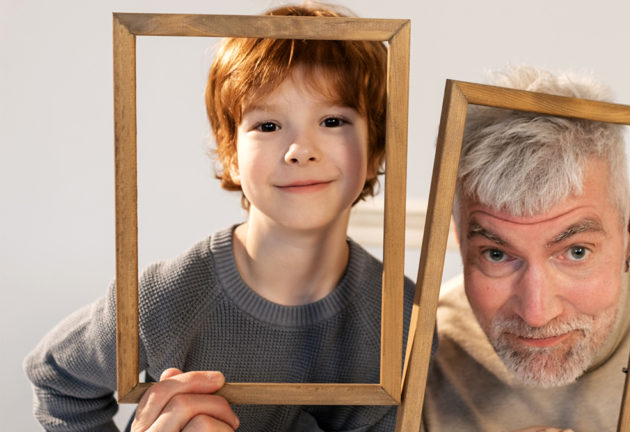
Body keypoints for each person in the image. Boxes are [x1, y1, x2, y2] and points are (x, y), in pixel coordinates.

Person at [24, 4, 415, 431]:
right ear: (230, 154)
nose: (300, 149)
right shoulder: (164, 297)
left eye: (333, 120)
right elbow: (56, 378)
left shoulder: (400, 323)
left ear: (378, 148)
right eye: (268, 126)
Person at [422, 66, 630, 431]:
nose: (537, 313)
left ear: (629, 231)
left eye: (576, 252)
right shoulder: (422, 359)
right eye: (496, 254)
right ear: (460, 241)